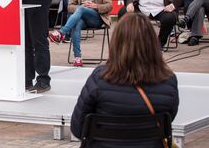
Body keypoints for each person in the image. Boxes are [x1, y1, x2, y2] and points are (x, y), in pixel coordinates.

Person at [71, 12, 179, 147]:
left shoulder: (100, 78)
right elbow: (168, 119)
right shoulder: (168, 80)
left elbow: (78, 129)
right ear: (153, 43)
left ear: (117, 42)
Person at [49, 0, 112, 67]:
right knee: (77, 22)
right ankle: (77, 58)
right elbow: (69, 6)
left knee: (81, 10)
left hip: (97, 17)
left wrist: (95, 6)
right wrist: (80, 7)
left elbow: (109, 5)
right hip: (81, 15)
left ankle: (61, 33)